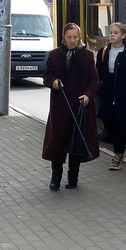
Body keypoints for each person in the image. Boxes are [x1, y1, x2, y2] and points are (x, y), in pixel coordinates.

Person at [43, 23, 99, 190]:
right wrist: (53, 82)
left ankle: (73, 177)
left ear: (79, 37)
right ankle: (55, 178)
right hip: (60, 106)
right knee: (58, 141)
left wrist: (88, 95)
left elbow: (94, 81)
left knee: (77, 141)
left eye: (75, 37)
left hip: (80, 106)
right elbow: (47, 76)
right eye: (69, 37)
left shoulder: (87, 56)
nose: (72, 40)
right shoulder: (54, 55)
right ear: (64, 37)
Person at [96, 22, 126, 170]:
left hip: (123, 97)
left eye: (115, 32)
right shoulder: (103, 52)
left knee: (120, 127)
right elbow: (97, 72)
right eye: (111, 32)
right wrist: (99, 88)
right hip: (107, 95)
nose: (112, 35)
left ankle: (117, 156)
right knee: (108, 123)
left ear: (123, 36)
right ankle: (121, 144)